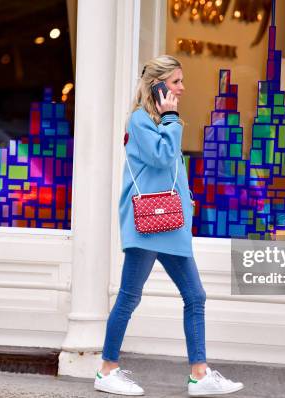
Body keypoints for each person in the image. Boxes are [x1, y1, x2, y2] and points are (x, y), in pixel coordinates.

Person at [94, 55, 244, 396]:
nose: (182, 88)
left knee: (195, 295)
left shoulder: (158, 121)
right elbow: (161, 156)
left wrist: (186, 197)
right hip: (148, 223)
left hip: (169, 221)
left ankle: (199, 374)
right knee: (130, 297)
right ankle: (107, 369)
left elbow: (168, 168)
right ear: (158, 85)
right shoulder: (140, 120)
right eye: (176, 82)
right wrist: (172, 118)